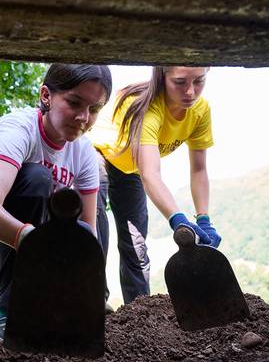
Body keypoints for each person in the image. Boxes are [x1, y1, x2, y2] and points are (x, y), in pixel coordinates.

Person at [0, 63, 112, 342]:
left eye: (94, 109)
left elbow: (90, 230)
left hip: (29, 245)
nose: (84, 117)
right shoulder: (18, 129)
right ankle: (8, 311)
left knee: (90, 216)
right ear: (46, 95)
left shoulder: (83, 150)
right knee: (37, 177)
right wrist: (35, 242)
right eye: (74, 102)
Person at [90, 66, 219, 305]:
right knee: (95, 225)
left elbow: (199, 169)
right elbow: (151, 174)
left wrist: (204, 219)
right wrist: (178, 220)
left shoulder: (200, 110)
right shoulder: (149, 109)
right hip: (99, 152)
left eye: (199, 81)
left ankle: (140, 311)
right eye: (180, 82)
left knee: (136, 241)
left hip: (130, 166)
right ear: (162, 77)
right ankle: (94, 300)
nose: (190, 91)